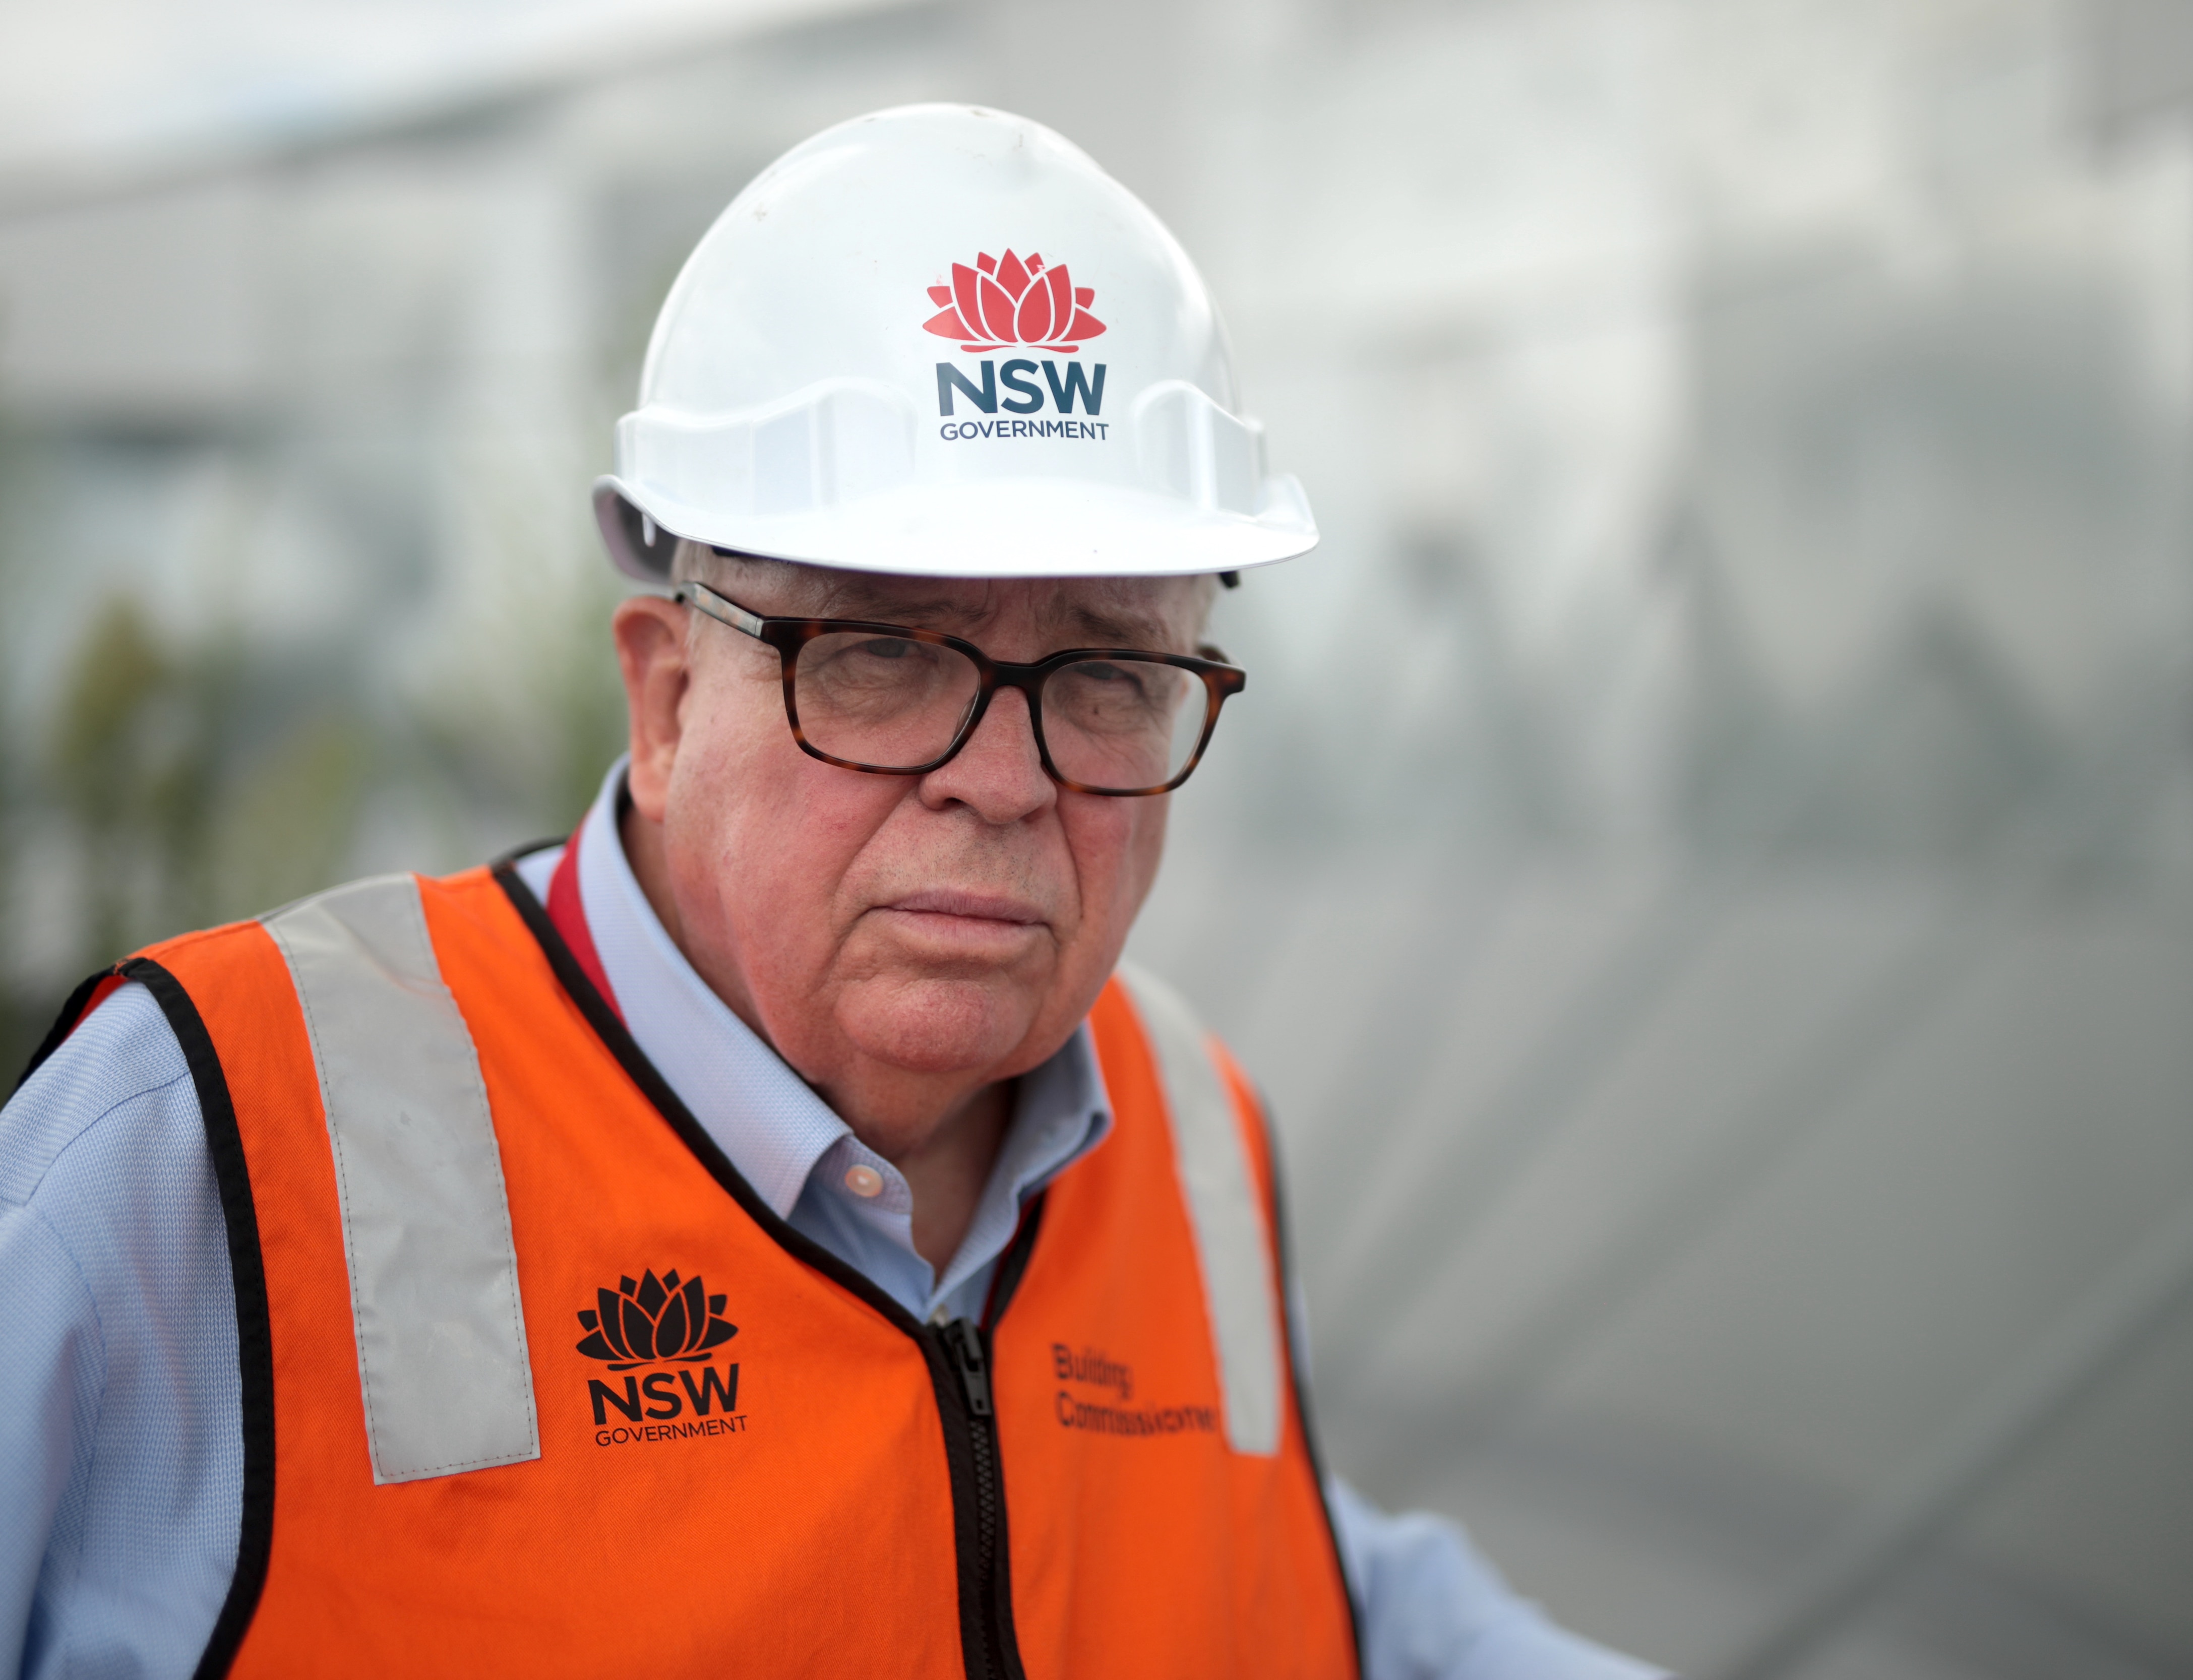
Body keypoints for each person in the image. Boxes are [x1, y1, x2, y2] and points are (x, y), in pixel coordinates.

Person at [0, 105, 1660, 1679]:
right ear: (663, 704)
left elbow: (1300, 1586)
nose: (1006, 780)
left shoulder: (1188, 1136)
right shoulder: (206, 1148)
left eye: (1103, 671)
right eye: (879, 652)